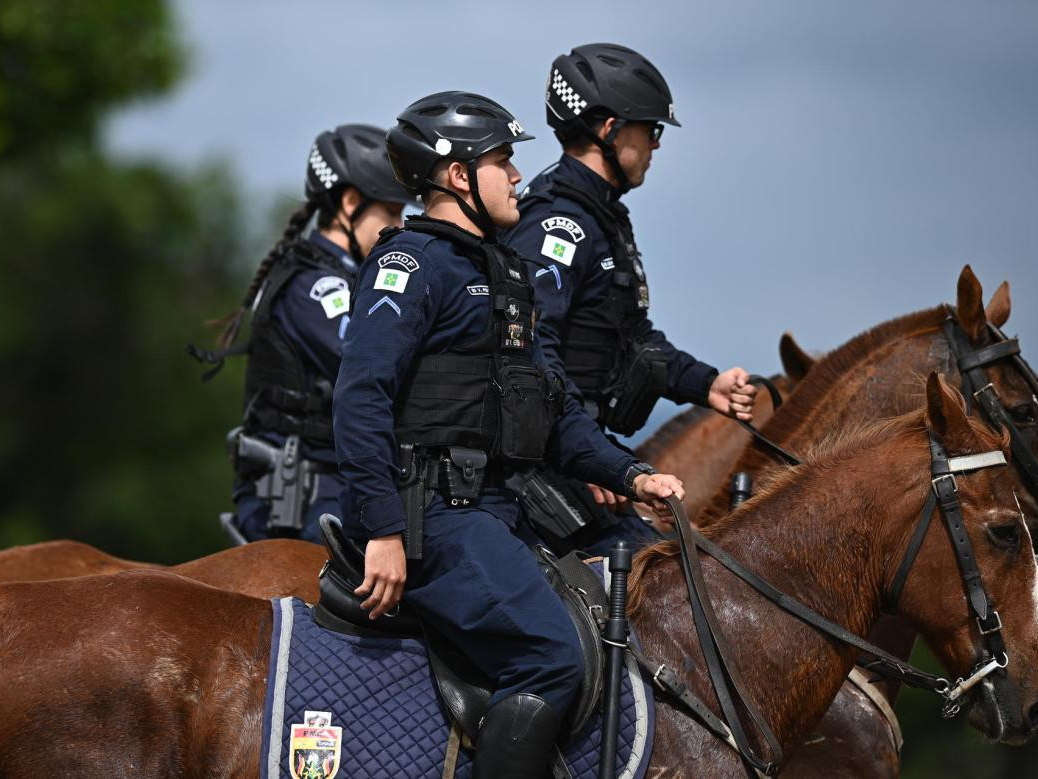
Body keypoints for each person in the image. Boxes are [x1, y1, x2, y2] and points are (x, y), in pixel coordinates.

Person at [333, 91, 684, 778]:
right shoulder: (410, 266)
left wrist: (631, 474)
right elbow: (359, 396)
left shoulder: (506, 275)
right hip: (434, 516)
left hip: (499, 512)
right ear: (459, 176)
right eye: (503, 161)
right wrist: (383, 529)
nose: (519, 175)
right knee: (552, 656)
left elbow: (552, 411)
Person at [502, 43, 757, 553]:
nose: (657, 145)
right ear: (608, 129)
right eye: (651, 129)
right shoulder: (560, 224)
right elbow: (530, 353)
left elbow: (632, 338)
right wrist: (588, 455)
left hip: (582, 452)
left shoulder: (602, 217)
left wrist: (707, 384)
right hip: (550, 463)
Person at [198, 125, 411, 543]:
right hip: (305, 499)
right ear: (350, 202)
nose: (400, 228)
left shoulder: (350, 277)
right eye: (391, 214)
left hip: (333, 484)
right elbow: (371, 358)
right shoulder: (315, 286)